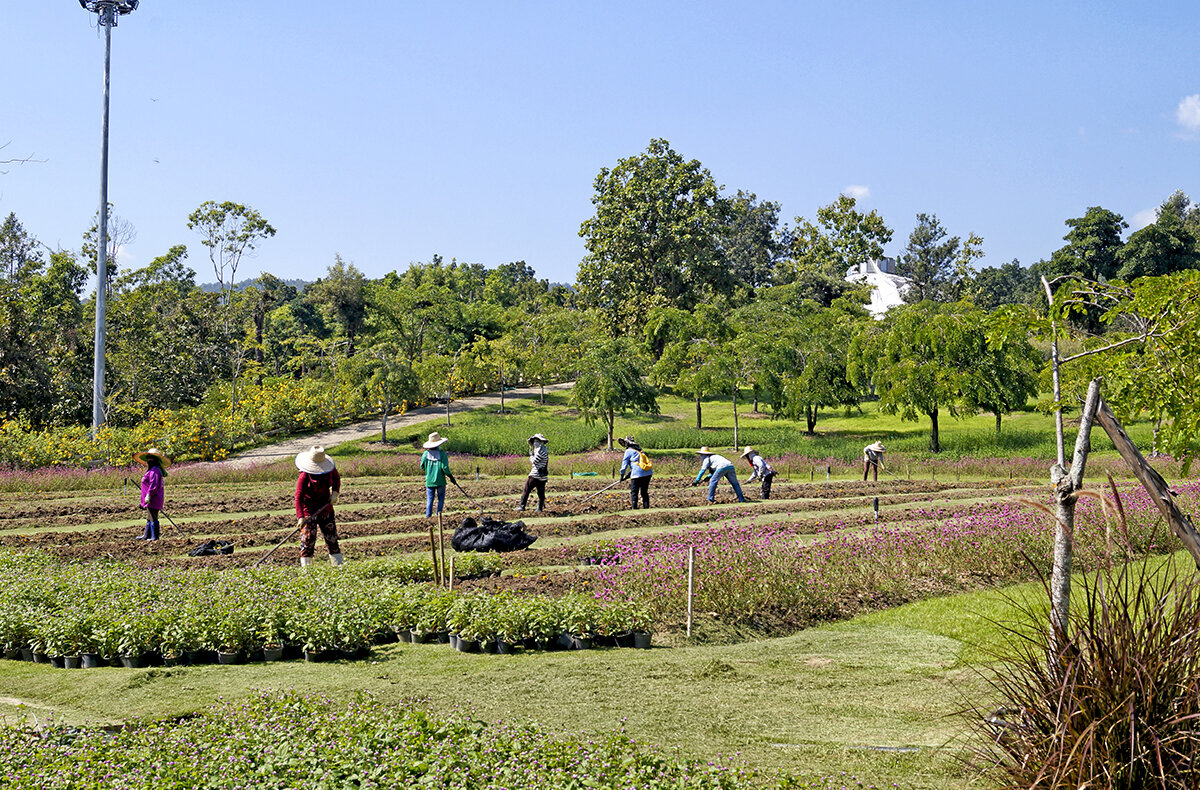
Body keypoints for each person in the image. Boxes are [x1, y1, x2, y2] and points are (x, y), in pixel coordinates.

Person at [295, 445, 343, 566]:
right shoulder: (304, 476)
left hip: (326, 509)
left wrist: (335, 494)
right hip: (309, 511)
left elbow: (337, 479)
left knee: (332, 539)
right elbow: (298, 496)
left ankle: (339, 567)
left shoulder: (330, 471)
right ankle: (307, 571)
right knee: (308, 540)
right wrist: (300, 517)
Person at [134, 448, 170, 541]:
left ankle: (154, 537)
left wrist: (149, 495)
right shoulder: (152, 470)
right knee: (149, 516)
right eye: (148, 458)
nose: (149, 460)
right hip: (150, 498)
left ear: (156, 460)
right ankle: (147, 535)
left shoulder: (155, 471)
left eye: (151, 458)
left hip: (153, 497)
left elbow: (153, 485)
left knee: (153, 516)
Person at [420, 432, 457, 518]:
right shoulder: (442, 453)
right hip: (440, 480)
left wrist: (429, 469)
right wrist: (451, 477)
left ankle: (428, 517)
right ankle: (438, 516)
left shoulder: (425, 454)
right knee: (441, 498)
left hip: (429, 481)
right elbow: (445, 468)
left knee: (430, 499)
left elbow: (422, 466)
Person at [517, 433, 549, 512]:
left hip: (535, 475)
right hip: (543, 476)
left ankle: (522, 506)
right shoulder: (544, 450)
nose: (535, 443)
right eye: (534, 441)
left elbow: (535, 461)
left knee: (526, 490)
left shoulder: (541, 451)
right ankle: (539, 508)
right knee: (541, 492)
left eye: (537, 441)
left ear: (540, 442)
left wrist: (531, 456)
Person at [618, 436, 653, 509]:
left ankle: (634, 507)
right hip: (648, 473)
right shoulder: (640, 450)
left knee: (634, 491)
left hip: (637, 474)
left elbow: (624, 466)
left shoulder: (628, 451)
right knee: (644, 491)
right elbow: (637, 465)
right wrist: (627, 476)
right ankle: (646, 507)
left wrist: (622, 476)